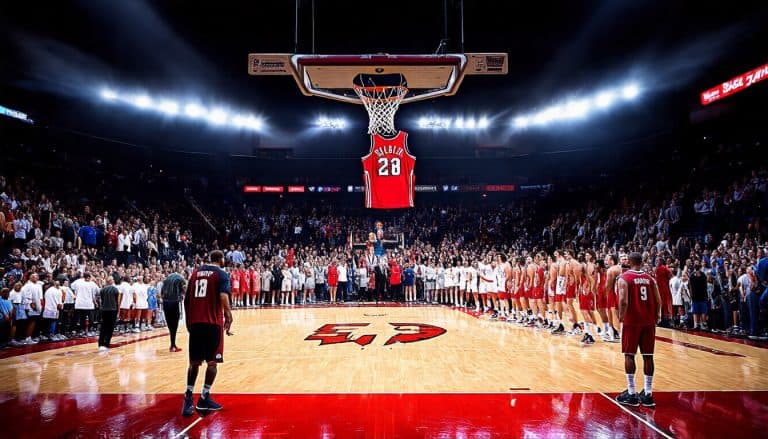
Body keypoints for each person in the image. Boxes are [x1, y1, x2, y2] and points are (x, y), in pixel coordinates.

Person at [182, 250, 233, 416]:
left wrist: (189, 321)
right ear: (220, 259)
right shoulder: (221, 274)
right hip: (212, 323)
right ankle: (204, 397)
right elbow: (223, 296)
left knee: (194, 363)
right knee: (212, 363)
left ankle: (188, 397)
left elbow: (186, 300)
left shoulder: (195, 273)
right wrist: (229, 315)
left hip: (196, 323)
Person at [615, 252, 661, 408]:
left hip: (632, 321)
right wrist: (656, 315)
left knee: (629, 355)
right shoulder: (650, 279)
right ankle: (648, 393)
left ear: (629, 261)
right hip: (648, 322)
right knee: (648, 356)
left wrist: (621, 316)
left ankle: (632, 392)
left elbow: (623, 300)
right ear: (641, 262)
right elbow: (658, 300)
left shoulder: (624, 278)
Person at [162, 271, 186, 352]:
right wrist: (182, 295)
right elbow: (184, 290)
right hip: (174, 302)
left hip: (165, 302)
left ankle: (172, 344)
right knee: (174, 324)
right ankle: (173, 345)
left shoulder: (167, 279)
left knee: (170, 324)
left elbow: (162, 292)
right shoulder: (181, 279)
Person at [98, 277, 120, 351]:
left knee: (103, 327)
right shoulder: (115, 289)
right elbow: (117, 301)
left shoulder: (102, 290)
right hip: (112, 310)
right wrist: (118, 310)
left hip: (104, 310)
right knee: (110, 328)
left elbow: (102, 300)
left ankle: (100, 343)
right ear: (111, 281)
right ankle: (106, 344)